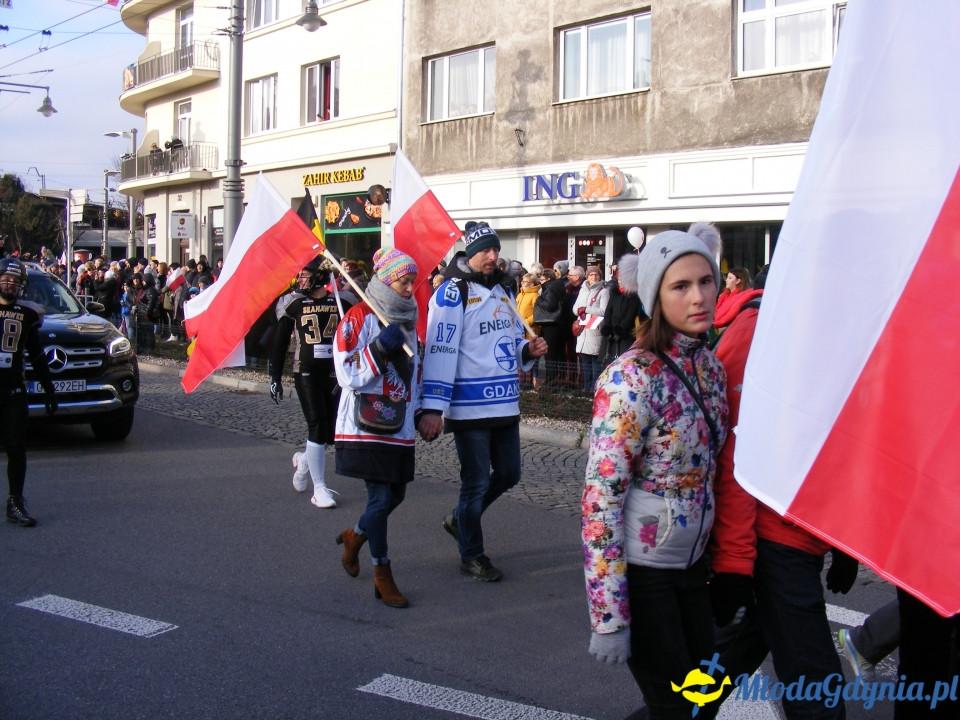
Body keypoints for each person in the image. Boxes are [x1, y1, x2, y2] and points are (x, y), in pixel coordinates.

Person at [582, 223, 728, 719]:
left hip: (693, 569)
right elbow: (600, 499)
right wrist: (608, 617)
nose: (699, 296)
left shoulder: (711, 368)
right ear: (653, 296)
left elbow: (716, 476)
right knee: (677, 707)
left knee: (699, 702)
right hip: (644, 575)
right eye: (680, 286)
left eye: (706, 281)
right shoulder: (629, 377)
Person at [706, 266, 855, 720]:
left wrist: (842, 539)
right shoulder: (761, 327)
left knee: (709, 677)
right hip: (774, 538)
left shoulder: (839, 320)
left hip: (802, 533)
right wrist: (733, 559)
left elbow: (836, 443)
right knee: (818, 696)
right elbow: (733, 449)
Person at [419, 221, 547, 582]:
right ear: (469, 252)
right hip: (470, 406)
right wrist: (433, 408)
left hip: (505, 404)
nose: (492, 256)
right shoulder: (451, 293)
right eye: (485, 250)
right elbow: (441, 351)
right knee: (474, 482)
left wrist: (528, 350)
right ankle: (471, 554)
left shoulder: (504, 290)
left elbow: (504, 346)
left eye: (496, 250)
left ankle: (460, 519)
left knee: (509, 473)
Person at [333, 248, 421, 608]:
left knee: (395, 496)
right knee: (381, 498)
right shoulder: (358, 317)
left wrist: (424, 411)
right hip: (365, 423)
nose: (410, 288)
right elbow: (347, 373)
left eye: (413, 281)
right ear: (386, 280)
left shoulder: (408, 319)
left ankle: (355, 536)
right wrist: (378, 350)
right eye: (404, 281)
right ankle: (382, 572)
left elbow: (417, 369)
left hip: (398, 424)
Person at [269, 259, 350, 509]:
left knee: (329, 434)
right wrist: (274, 377)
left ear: (319, 276)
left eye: (304, 275)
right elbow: (280, 342)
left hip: (333, 373)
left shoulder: (341, 302)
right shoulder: (293, 304)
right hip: (305, 371)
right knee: (317, 425)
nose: (300, 280)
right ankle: (319, 488)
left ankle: (304, 460)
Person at [0, 258, 57, 527]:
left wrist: (48, 388)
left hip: (12, 388)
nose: (9, 284)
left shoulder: (27, 314)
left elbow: (35, 354)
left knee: (16, 447)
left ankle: (15, 501)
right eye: (5, 279)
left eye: (14, 281)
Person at [599, 263, 644, 368]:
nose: (621, 283)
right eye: (619, 280)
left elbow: (631, 314)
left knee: (624, 361)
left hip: (626, 333)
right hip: (611, 333)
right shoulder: (614, 293)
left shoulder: (634, 296)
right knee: (609, 361)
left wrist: (621, 329)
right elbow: (608, 311)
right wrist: (608, 326)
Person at [573, 265, 609, 392]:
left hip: (595, 331)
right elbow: (575, 308)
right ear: (587, 276)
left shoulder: (603, 291)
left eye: (596, 275)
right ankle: (586, 388)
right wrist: (579, 311)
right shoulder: (583, 290)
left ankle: (595, 388)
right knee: (585, 364)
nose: (594, 277)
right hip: (583, 332)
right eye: (591, 274)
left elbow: (604, 311)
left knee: (596, 364)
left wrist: (586, 309)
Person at [533, 266, 566, 384]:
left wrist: (538, 300)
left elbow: (550, 304)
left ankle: (550, 380)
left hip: (551, 324)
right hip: (558, 324)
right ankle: (557, 379)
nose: (540, 282)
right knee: (557, 354)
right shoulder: (558, 286)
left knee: (550, 355)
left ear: (547, 279)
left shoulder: (550, 288)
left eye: (541, 280)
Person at [516, 272, 541, 387]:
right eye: (522, 281)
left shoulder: (535, 295)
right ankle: (523, 381)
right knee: (521, 355)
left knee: (532, 356)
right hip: (519, 329)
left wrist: (525, 322)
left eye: (524, 281)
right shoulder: (520, 295)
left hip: (530, 330)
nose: (522, 283)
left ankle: (533, 381)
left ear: (531, 283)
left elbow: (537, 314)